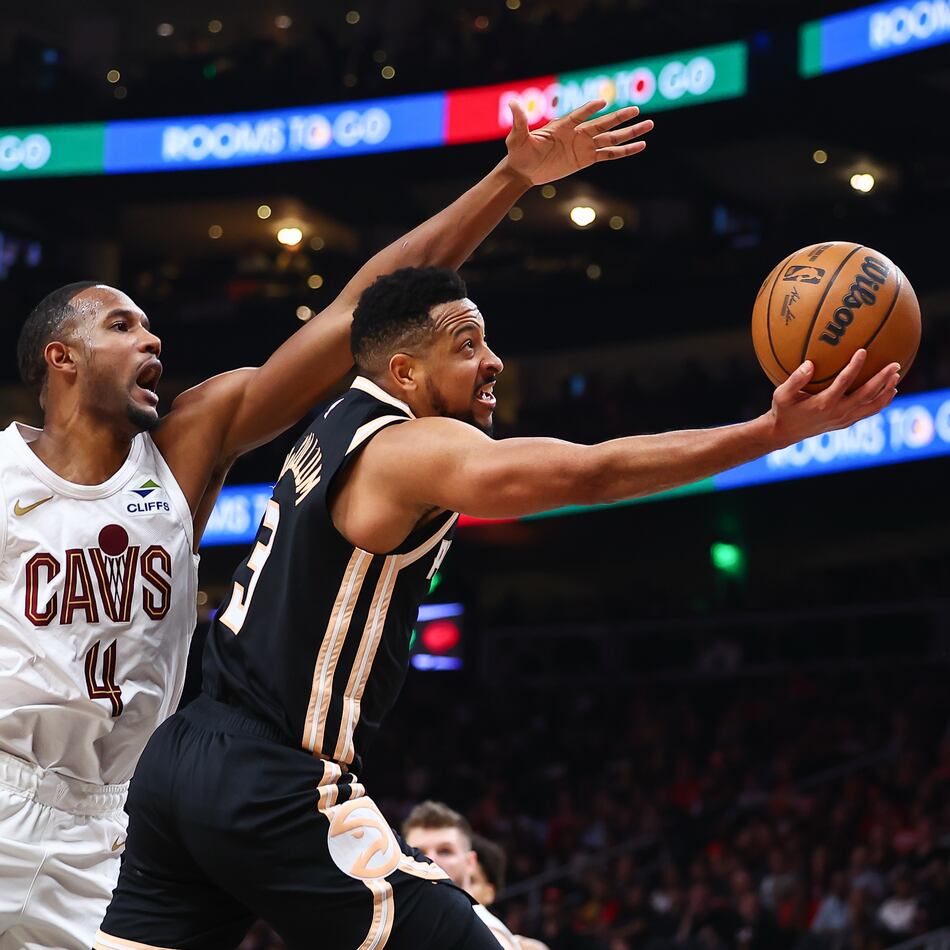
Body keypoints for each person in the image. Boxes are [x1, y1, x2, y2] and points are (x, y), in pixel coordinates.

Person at [97, 211, 899, 950]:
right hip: (269, 775)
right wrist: (771, 431)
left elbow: (364, 298)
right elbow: (592, 473)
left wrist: (511, 179)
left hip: (179, 761)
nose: (494, 362)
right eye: (468, 345)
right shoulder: (408, 448)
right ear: (406, 372)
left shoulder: (336, 417)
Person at [2, 98, 652, 950]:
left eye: (152, 327)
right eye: (124, 326)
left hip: (122, 819)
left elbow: (365, 311)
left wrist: (510, 179)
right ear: (62, 357)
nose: (152, 341)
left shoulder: (188, 446)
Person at [403, 802, 521, 950]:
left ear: (470, 863)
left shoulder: (488, 932)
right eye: (418, 852)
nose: (430, 860)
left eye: (445, 851)